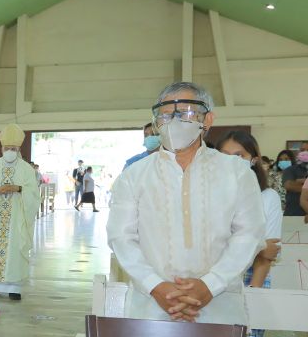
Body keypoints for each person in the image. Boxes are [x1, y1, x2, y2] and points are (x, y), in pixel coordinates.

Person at [107, 82, 265, 324]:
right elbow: (121, 237)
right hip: (151, 306)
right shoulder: (134, 175)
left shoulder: (236, 172)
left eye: (186, 113)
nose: (174, 121)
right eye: (166, 115)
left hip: (219, 307)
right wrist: (156, 286)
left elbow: (249, 235)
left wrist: (209, 285)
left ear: (208, 119)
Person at [216, 129, 282, 337]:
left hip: (252, 281)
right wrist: (256, 246)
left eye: (239, 155)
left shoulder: (267, 197)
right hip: (212, 283)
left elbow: (267, 254)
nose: (231, 161)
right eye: (224, 155)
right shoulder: (207, 197)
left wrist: (250, 300)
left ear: (253, 160)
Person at [0, 124, 41, 301]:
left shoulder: (26, 169)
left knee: (15, 248)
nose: (10, 151)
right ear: (1, 148)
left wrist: (18, 188)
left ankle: (14, 287)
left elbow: (33, 193)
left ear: (18, 149)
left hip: (17, 216)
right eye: (7, 148)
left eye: (13, 149)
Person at [282, 143, 308, 216]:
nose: (306, 152)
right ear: (299, 152)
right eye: (303, 150)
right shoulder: (290, 169)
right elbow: (289, 185)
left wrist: (298, 182)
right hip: (293, 213)